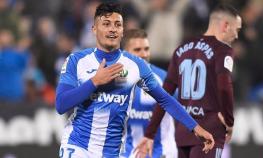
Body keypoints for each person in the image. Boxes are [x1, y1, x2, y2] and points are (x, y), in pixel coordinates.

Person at [55, 2, 214, 158]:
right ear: (94, 29)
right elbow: (61, 104)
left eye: (117, 24)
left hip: (113, 151)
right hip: (77, 146)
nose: (112, 29)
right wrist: (94, 81)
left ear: (123, 31)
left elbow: (165, 99)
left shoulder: (135, 65)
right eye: (106, 24)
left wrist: (195, 128)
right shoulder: (76, 61)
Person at [138, 3, 242, 158]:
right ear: (226, 25)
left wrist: (150, 133)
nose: (237, 35)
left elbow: (163, 95)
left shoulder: (182, 49)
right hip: (209, 133)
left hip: (182, 133)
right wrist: (229, 120)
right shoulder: (223, 51)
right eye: (237, 29)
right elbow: (225, 86)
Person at [120, 29, 177, 158]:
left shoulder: (163, 79)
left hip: (161, 152)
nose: (144, 54)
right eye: (137, 50)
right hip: (128, 152)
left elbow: (184, 107)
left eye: (146, 49)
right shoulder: (115, 81)